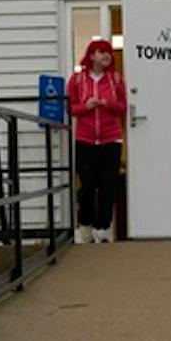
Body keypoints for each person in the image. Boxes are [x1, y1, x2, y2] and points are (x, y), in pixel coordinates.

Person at [67, 37, 126, 243]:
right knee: (87, 185)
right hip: (85, 139)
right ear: (92, 55)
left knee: (109, 185)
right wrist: (87, 106)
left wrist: (107, 104)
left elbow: (122, 108)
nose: (107, 55)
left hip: (111, 139)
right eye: (102, 52)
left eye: (108, 52)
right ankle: (85, 226)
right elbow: (71, 108)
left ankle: (103, 229)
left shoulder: (116, 80)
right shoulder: (77, 80)